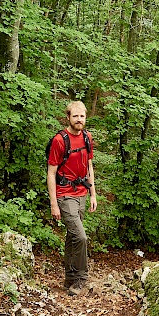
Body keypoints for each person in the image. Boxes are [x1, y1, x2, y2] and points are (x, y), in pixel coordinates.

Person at [47, 101, 97, 296]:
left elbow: (89, 166)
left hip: (82, 193)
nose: (79, 119)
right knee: (81, 237)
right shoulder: (60, 141)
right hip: (64, 195)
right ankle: (81, 278)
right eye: (75, 116)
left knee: (72, 238)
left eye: (82, 116)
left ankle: (69, 277)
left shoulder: (87, 137)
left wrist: (93, 193)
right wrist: (53, 204)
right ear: (68, 117)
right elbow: (51, 173)